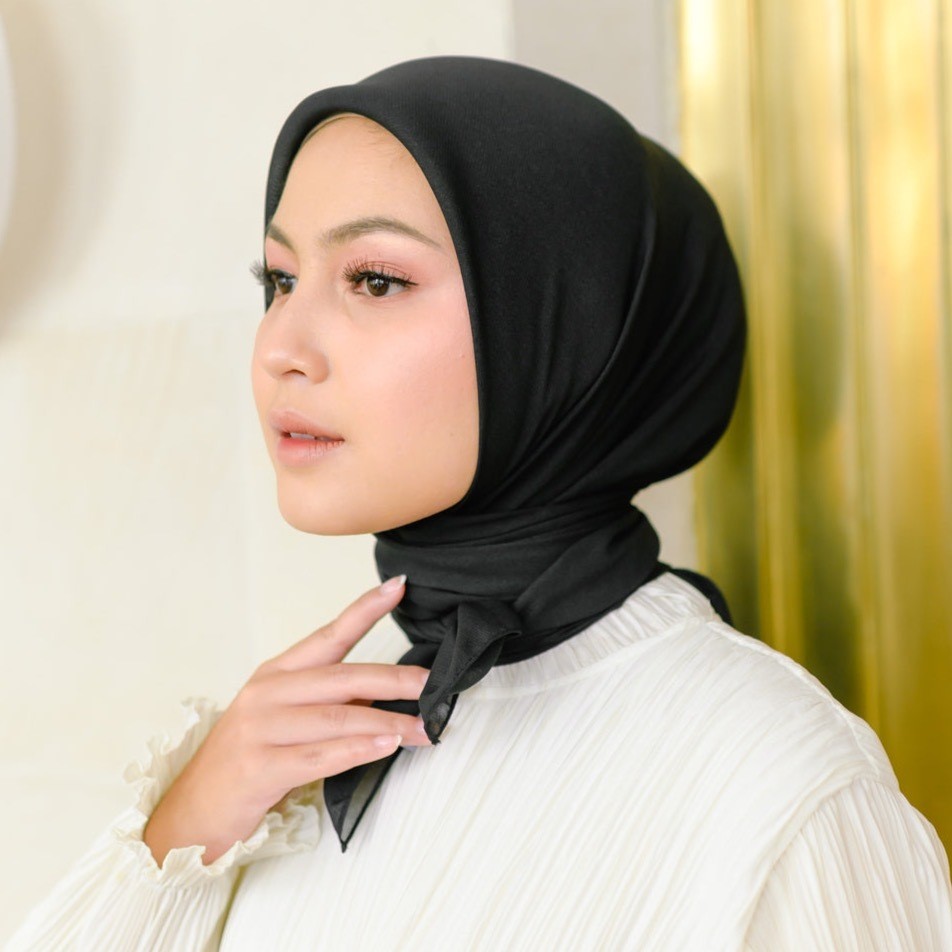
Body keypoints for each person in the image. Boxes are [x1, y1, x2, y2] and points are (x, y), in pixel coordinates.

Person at [8, 56, 952, 951]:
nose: (280, 348)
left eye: (375, 280)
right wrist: (187, 826)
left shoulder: (774, 786)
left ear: (561, 323)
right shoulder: (291, 752)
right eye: (280, 280)